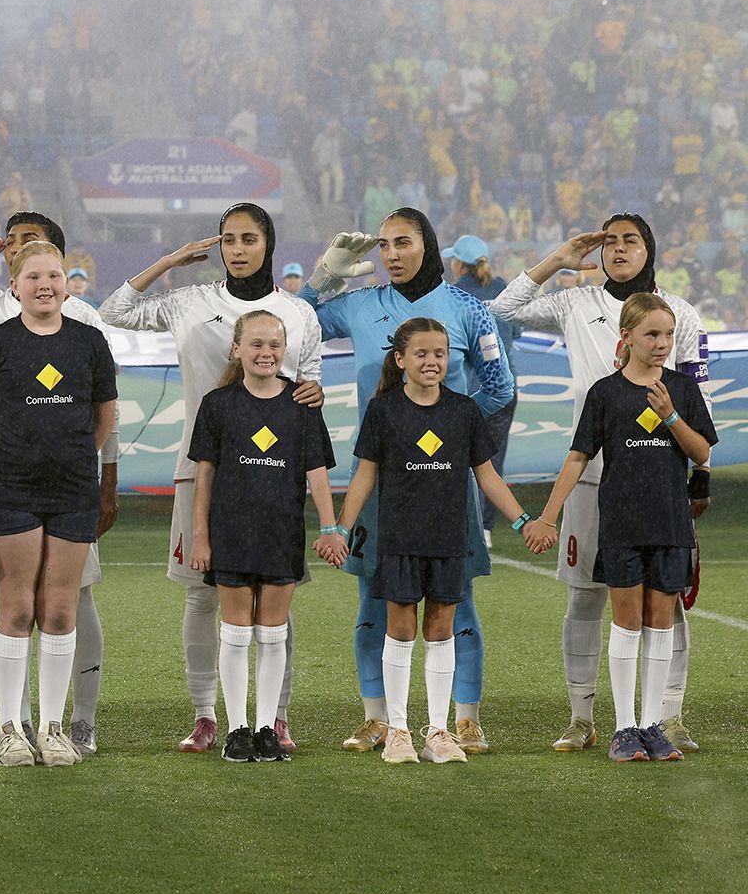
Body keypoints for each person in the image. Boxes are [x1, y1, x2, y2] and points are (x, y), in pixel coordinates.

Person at [98, 205, 324, 754]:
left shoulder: (297, 313)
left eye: (249, 238)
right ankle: (206, 716)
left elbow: (309, 391)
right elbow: (114, 309)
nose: (238, 249)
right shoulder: (190, 302)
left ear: (269, 243)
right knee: (203, 598)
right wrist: (171, 262)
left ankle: (277, 717)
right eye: (228, 240)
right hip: (198, 471)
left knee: (275, 596)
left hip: (274, 477)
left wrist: (311, 390)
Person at [490, 217, 713, 752]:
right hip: (591, 481)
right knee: (587, 597)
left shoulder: (680, 313)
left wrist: (698, 479)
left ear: (649, 248)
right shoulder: (574, 302)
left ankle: (668, 716)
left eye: (628, 240)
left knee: (667, 601)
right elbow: (502, 311)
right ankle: (582, 717)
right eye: (608, 241)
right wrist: (559, 258)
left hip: (658, 481)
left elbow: (693, 401)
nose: (617, 249)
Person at [301, 210, 515, 754]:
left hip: (446, 488)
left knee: (456, 601)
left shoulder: (468, 308)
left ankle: (462, 720)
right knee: (375, 599)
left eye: (403, 243)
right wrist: (327, 274)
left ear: (430, 246)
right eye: (384, 246)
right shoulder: (361, 304)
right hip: (380, 490)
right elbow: (290, 323)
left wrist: (450, 433)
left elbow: (500, 386)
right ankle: (378, 718)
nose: (390, 254)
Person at [0, 212, 119, 755]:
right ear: (14, 285)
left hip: (73, 490)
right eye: (32, 278)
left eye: (53, 277)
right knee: (16, 608)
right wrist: (4, 456)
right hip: (12, 489)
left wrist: (86, 457)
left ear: (66, 281)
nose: (44, 286)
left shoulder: (88, 340)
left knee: (59, 609)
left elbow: (105, 411)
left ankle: (56, 731)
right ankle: (12, 729)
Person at [322, 319, 542, 765]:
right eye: (421, 354)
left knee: (441, 632)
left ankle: (438, 732)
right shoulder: (382, 411)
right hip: (398, 540)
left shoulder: (463, 411)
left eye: (440, 353)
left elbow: (487, 476)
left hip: (448, 540)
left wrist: (524, 522)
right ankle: (399, 731)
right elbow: (364, 475)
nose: (432, 361)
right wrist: (338, 529)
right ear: (400, 360)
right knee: (400, 631)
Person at [527, 294, 716, 761]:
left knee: (659, 624)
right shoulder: (605, 393)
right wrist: (548, 517)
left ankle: (653, 725)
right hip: (622, 525)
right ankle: (624, 728)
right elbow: (577, 459)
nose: (663, 344)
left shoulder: (682, 390)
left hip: (670, 525)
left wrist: (671, 414)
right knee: (627, 624)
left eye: (669, 335)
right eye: (652, 334)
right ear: (626, 337)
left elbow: (701, 453)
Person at [185, 310, 342, 763]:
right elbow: (205, 475)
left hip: (281, 533)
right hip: (230, 532)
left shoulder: (303, 404)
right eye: (255, 344)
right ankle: (236, 729)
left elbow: (316, 472)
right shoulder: (218, 405)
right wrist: (201, 536)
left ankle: (265, 727)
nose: (266, 352)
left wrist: (329, 528)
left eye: (274, 344)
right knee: (235, 630)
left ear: (285, 349)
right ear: (237, 349)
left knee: (273, 633)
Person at [442, 234, 518, 539]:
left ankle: (465, 525)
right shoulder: (503, 289)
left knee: (460, 459)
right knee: (493, 461)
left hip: (470, 392)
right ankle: (485, 529)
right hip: (505, 387)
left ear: (459, 263)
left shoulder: (455, 294)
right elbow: (517, 331)